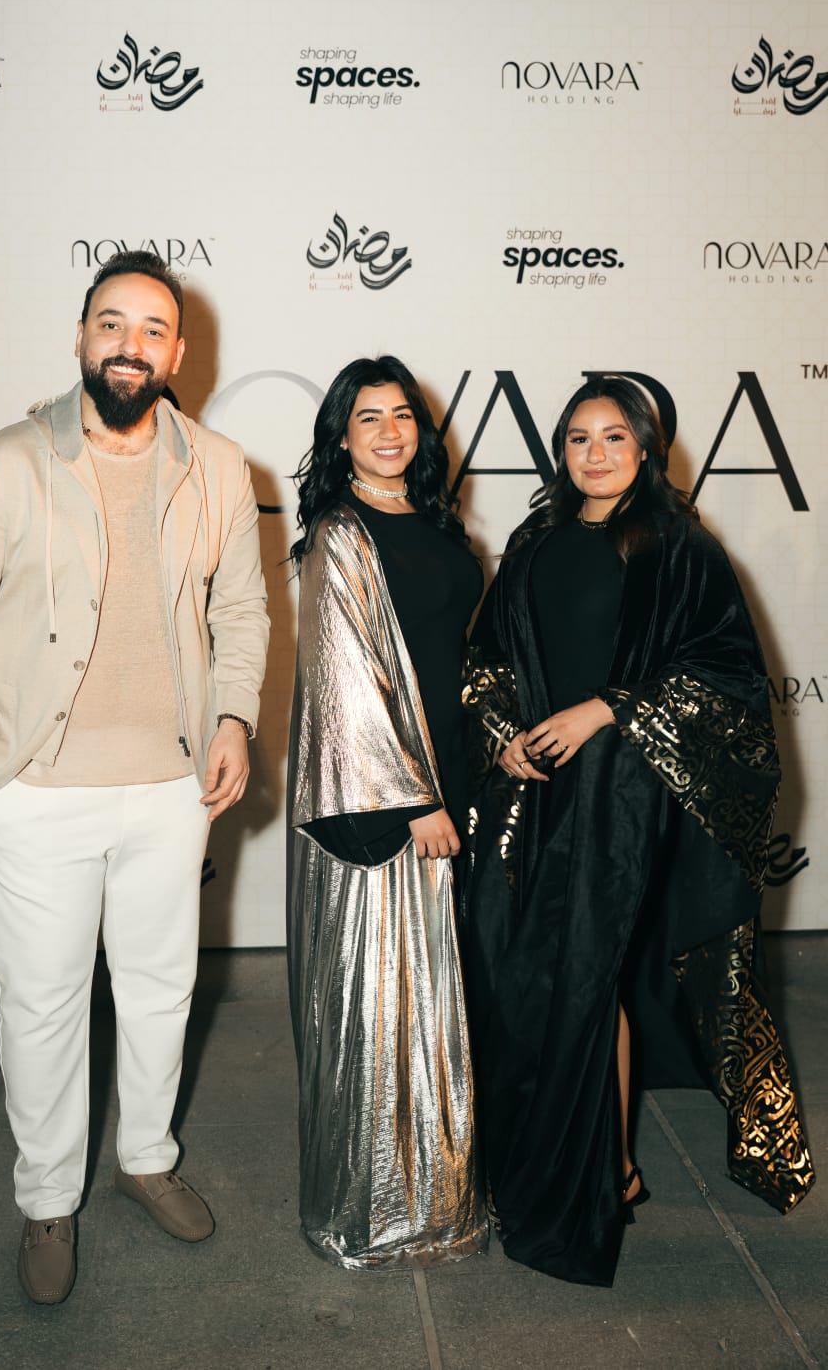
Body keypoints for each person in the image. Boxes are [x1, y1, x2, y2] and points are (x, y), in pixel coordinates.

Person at [0, 250, 269, 1304]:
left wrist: (235, 716)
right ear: (79, 337)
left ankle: (146, 1159)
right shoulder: (5, 463)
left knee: (160, 991)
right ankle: (46, 1200)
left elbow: (241, 610)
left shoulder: (219, 466)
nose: (129, 345)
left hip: (170, 790)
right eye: (111, 323)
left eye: (152, 329)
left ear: (178, 353)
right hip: (34, 792)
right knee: (43, 1008)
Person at [462, 374, 815, 1287]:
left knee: (588, 971)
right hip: (539, 789)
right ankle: (581, 1159)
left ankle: (605, 1172)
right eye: (578, 438)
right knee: (533, 970)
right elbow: (488, 659)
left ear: (648, 448)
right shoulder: (535, 541)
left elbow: (729, 676)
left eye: (614, 437)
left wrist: (609, 708)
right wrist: (503, 734)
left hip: (627, 792)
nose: (595, 454)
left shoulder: (678, 547)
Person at [287, 355, 487, 1268]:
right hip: (383, 808)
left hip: (453, 782)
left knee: (441, 1004)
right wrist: (414, 802)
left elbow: (460, 656)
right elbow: (344, 686)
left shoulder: (438, 524)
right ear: (340, 437)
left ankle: (443, 1195)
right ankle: (377, 1216)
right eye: (368, 417)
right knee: (383, 1004)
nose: (390, 431)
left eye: (403, 414)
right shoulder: (341, 533)